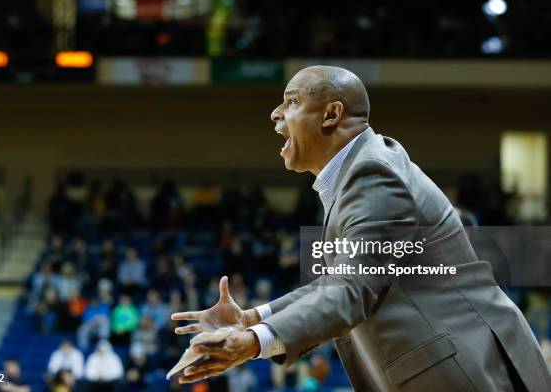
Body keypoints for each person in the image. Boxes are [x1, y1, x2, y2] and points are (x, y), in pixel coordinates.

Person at [171, 66, 551, 390]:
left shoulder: (373, 175)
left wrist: (253, 342)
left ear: (331, 114)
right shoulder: (361, 170)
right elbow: (340, 283)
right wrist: (252, 318)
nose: (274, 114)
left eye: (291, 102)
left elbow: (352, 290)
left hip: (462, 369)